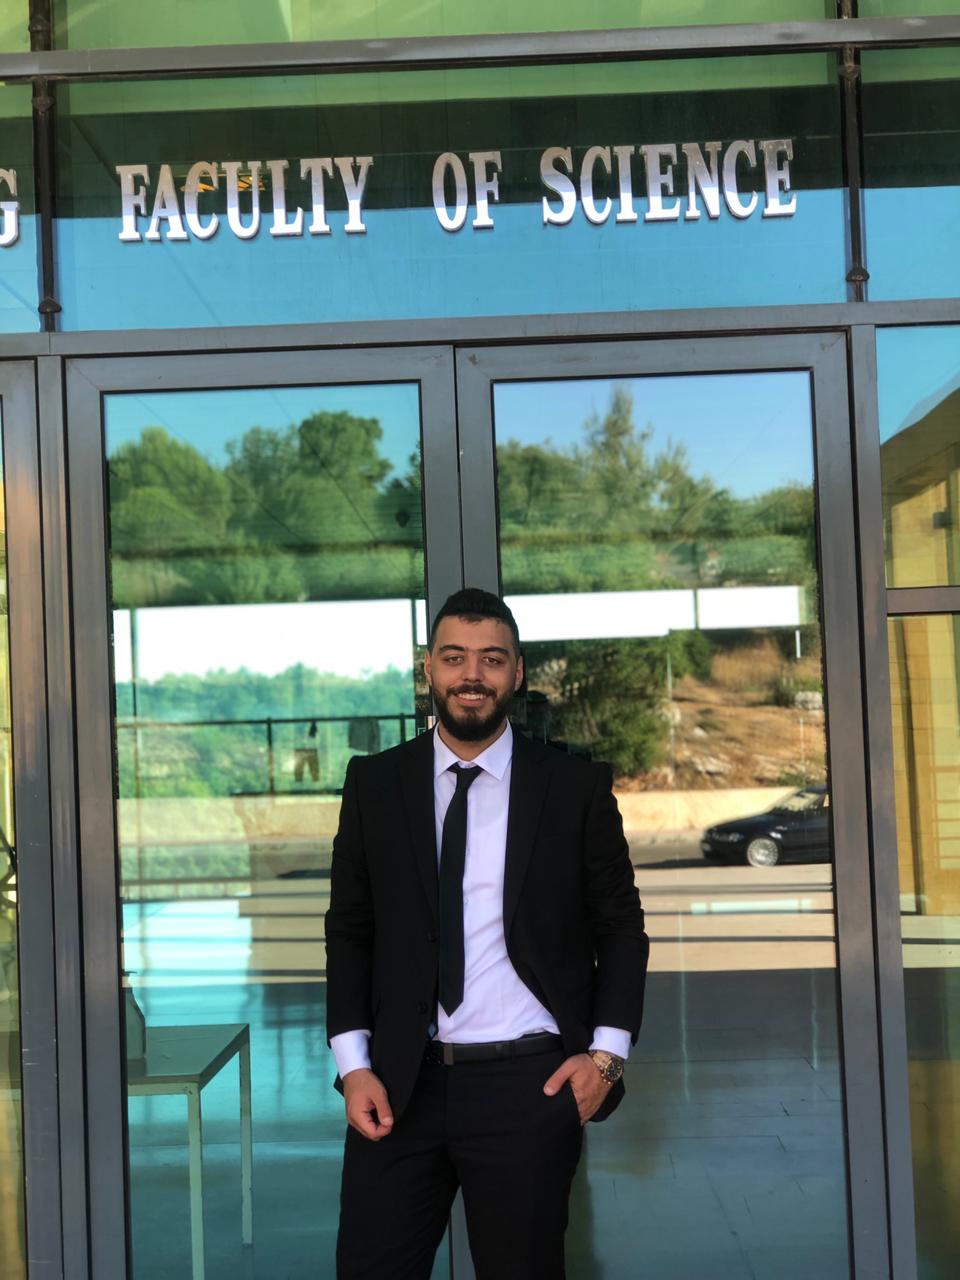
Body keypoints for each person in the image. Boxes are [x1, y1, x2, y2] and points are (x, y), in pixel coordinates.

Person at [325, 588, 649, 1279]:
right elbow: (350, 929)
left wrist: (606, 1059)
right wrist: (354, 1065)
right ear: (428, 669)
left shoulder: (574, 788)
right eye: (454, 657)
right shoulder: (374, 784)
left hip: (529, 1087)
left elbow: (621, 927)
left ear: (517, 673)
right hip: (397, 1086)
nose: (472, 675)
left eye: (492, 659)